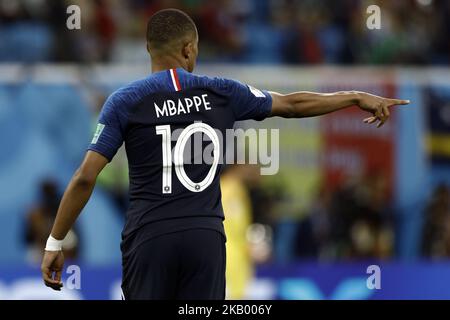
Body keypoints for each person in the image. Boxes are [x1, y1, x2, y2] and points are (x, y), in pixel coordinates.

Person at [41, 8, 409, 299]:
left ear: (149, 49)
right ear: (188, 49)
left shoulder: (125, 100)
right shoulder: (221, 91)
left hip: (150, 238)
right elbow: (293, 104)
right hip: (205, 239)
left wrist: (56, 242)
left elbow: (86, 177)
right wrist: (355, 96)